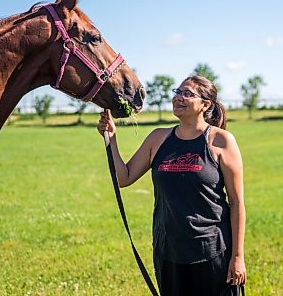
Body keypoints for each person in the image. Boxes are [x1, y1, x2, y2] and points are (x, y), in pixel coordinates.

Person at [97, 75, 246, 295]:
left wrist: (238, 257)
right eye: (177, 92)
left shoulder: (220, 141)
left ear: (205, 105)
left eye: (187, 94)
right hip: (168, 251)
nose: (179, 98)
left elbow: (236, 203)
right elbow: (124, 177)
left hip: (212, 251)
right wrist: (111, 139)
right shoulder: (158, 138)